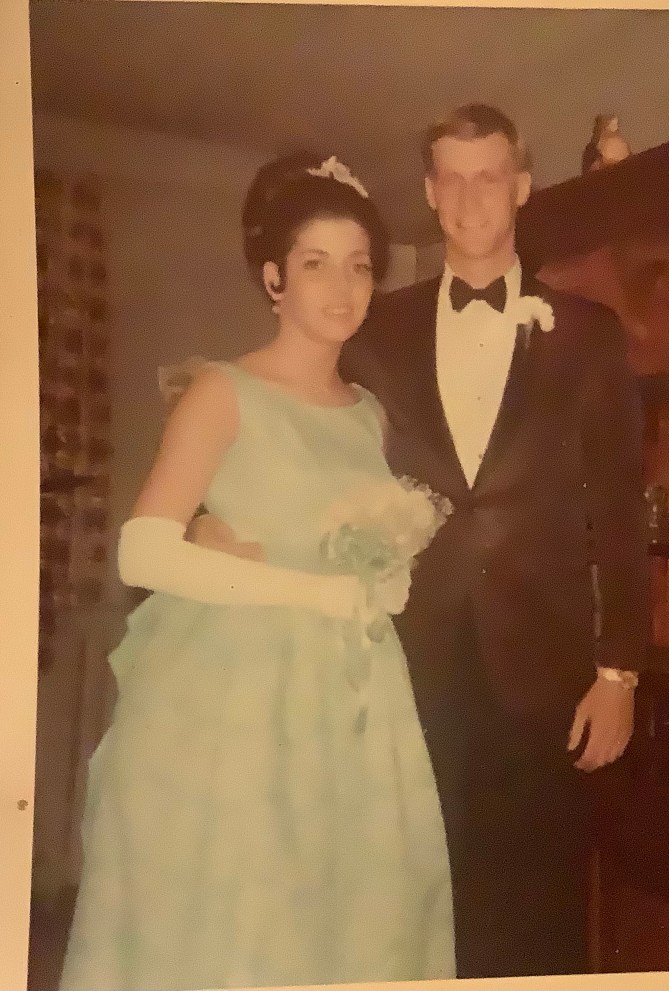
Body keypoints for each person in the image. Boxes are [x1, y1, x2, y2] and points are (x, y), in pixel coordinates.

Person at [197, 103, 650, 978]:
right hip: (407, 671)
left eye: (491, 177)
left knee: (542, 912)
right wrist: (214, 516)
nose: (471, 198)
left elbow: (622, 516)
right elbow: (298, 428)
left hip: (548, 678)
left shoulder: (589, 334)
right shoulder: (373, 328)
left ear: (522, 186)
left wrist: (619, 672)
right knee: (416, 905)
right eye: (453, 178)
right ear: (431, 193)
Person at [59, 151, 456, 990]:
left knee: (344, 914)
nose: (342, 287)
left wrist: (387, 577)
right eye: (315, 264)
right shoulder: (223, 391)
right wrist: (312, 590)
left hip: (353, 696)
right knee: (244, 917)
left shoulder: (370, 413)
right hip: (238, 695)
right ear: (274, 278)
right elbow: (142, 548)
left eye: (359, 266)